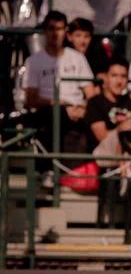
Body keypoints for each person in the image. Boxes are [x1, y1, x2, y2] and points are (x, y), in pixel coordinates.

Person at [23, 11, 96, 165]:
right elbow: (30, 99)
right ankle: (50, 170)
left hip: (77, 109)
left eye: (60, 29)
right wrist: (60, 104)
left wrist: (84, 107)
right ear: (45, 31)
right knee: (56, 115)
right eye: (51, 29)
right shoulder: (34, 61)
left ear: (65, 32)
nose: (55, 34)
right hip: (50, 110)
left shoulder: (77, 58)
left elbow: (91, 93)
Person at [84, 56, 131, 154]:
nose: (119, 81)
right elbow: (101, 137)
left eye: (123, 76)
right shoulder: (95, 103)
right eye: (114, 76)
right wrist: (120, 129)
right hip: (103, 156)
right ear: (105, 77)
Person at [65, 17, 109, 82]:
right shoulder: (63, 55)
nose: (82, 41)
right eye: (78, 35)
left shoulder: (98, 56)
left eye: (86, 36)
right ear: (69, 36)